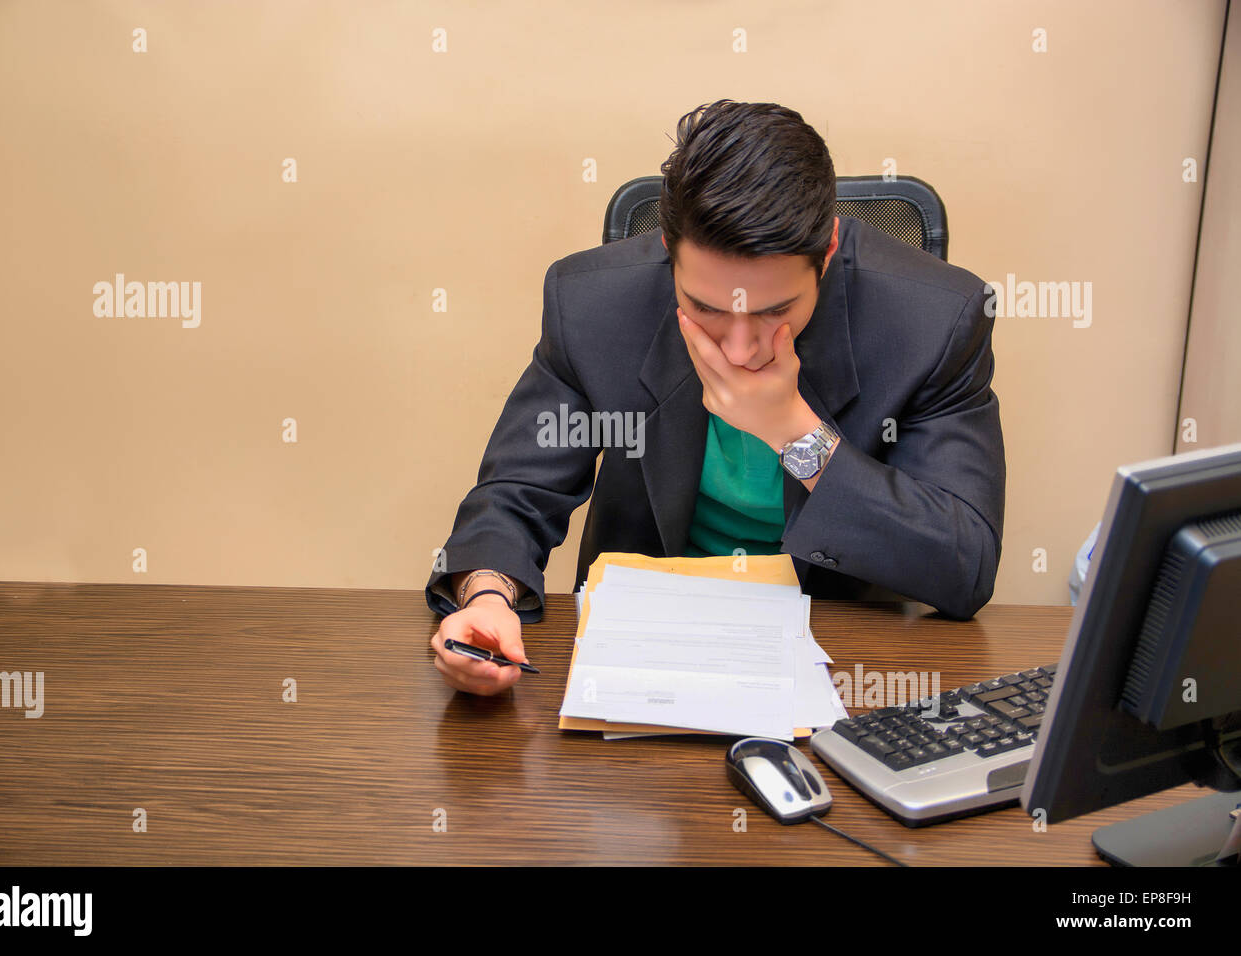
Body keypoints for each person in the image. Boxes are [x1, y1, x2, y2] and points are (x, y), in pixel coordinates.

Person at [425, 100, 1006, 696]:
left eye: (775, 310)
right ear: (668, 252)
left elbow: (964, 567)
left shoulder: (937, 321)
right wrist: (488, 596)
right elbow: (516, 493)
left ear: (828, 251)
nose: (738, 347)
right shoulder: (592, 305)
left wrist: (794, 432)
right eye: (704, 309)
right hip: (643, 652)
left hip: (846, 660)